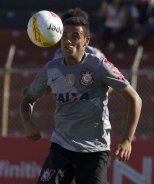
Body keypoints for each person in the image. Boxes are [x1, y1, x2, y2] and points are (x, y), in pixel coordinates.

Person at [20, 8, 142, 184]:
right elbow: (27, 100)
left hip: (95, 149)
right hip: (61, 146)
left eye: (75, 36)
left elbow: (135, 98)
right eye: (64, 36)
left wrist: (127, 140)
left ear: (86, 40)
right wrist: (28, 123)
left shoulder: (98, 64)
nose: (68, 41)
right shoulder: (51, 67)